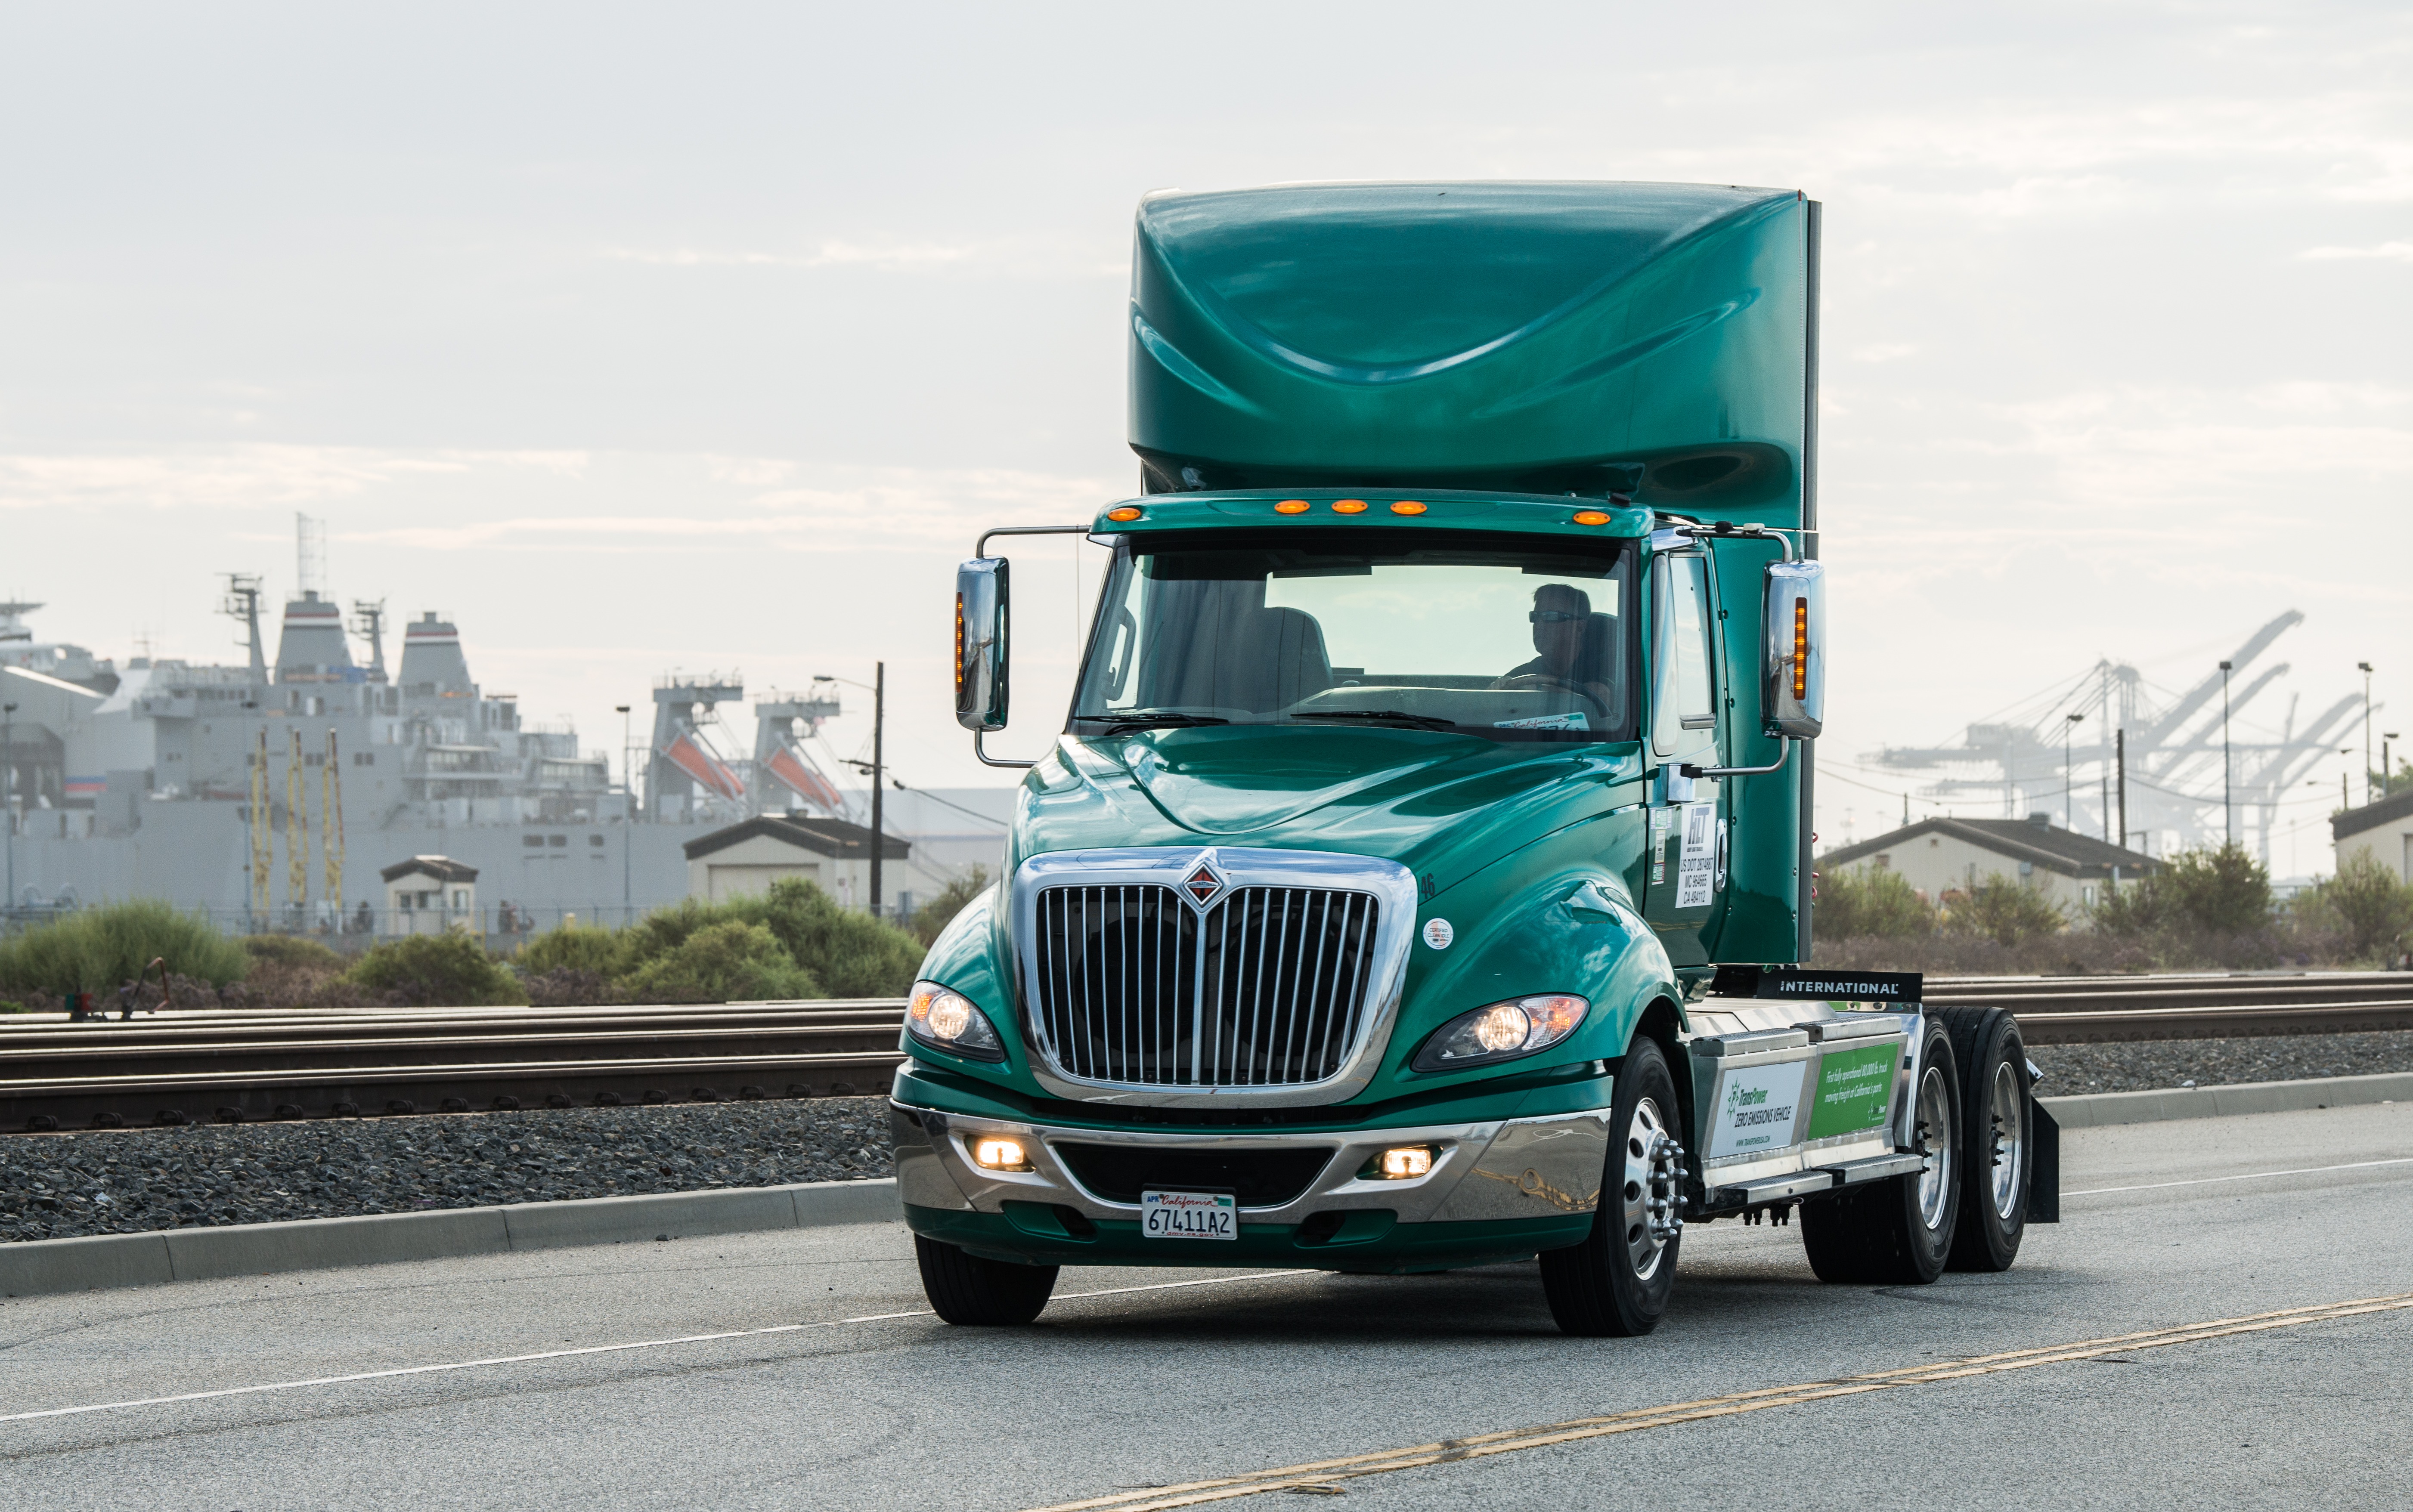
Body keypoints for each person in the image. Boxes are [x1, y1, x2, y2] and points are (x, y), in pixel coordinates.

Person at [1494, 583, 1616, 711]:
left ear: (1579, 627)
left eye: (1551, 616)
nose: (1539, 625)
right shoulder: (1522, 675)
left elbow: (1601, 694)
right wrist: (1498, 692)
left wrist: (1538, 689)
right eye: (1535, 617)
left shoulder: (1606, 667)